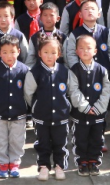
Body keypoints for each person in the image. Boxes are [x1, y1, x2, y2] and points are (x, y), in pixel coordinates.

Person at [24, 37, 71, 181]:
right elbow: (28, 93)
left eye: (53, 52)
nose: (49, 56)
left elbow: (70, 91)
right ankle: (43, 166)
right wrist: (37, 106)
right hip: (41, 116)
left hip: (61, 116)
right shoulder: (34, 72)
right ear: (39, 53)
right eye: (45, 52)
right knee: (42, 143)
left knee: (60, 143)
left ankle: (59, 166)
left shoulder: (64, 71)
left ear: (59, 54)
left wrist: (66, 105)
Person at [0, 34, 30, 178]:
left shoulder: (24, 70)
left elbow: (27, 91)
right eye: (4, 52)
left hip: (19, 113)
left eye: (12, 52)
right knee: (0, 140)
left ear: (19, 51)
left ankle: (15, 163)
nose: (9, 55)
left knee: (17, 139)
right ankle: (3, 164)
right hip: (0, 113)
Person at [67, 34, 110, 177]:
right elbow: (73, 91)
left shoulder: (102, 70)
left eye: (89, 48)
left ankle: (94, 161)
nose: (85, 51)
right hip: (80, 115)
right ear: (76, 51)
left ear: (95, 51)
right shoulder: (73, 70)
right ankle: (82, 162)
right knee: (80, 139)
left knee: (96, 139)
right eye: (81, 48)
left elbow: (106, 91)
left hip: (98, 115)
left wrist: (98, 108)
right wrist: (85, 107)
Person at [63, 0, 110, 73]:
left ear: (99, 14)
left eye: (93, 9)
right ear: (80, 15)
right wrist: (76, 68)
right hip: (82, 73)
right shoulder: (75, 34)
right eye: (86, 9)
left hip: (104, 71)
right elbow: (71, 53)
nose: (90, 11)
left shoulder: (105, 31)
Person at [0, 1, 30, 72]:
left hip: (17, 72)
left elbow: (26, 55)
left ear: (12, 17)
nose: (3, 19)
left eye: (6, 16)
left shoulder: (19, 35)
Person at [26, 3, 64, 68]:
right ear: (40, 18)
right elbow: (30, 59)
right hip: (39, 71)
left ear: (58, 18)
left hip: (58, 71)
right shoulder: (34, 37)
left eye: (51, 15)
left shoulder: (63, 37)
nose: (48, 18)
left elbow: (66, 59)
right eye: (45, 15)